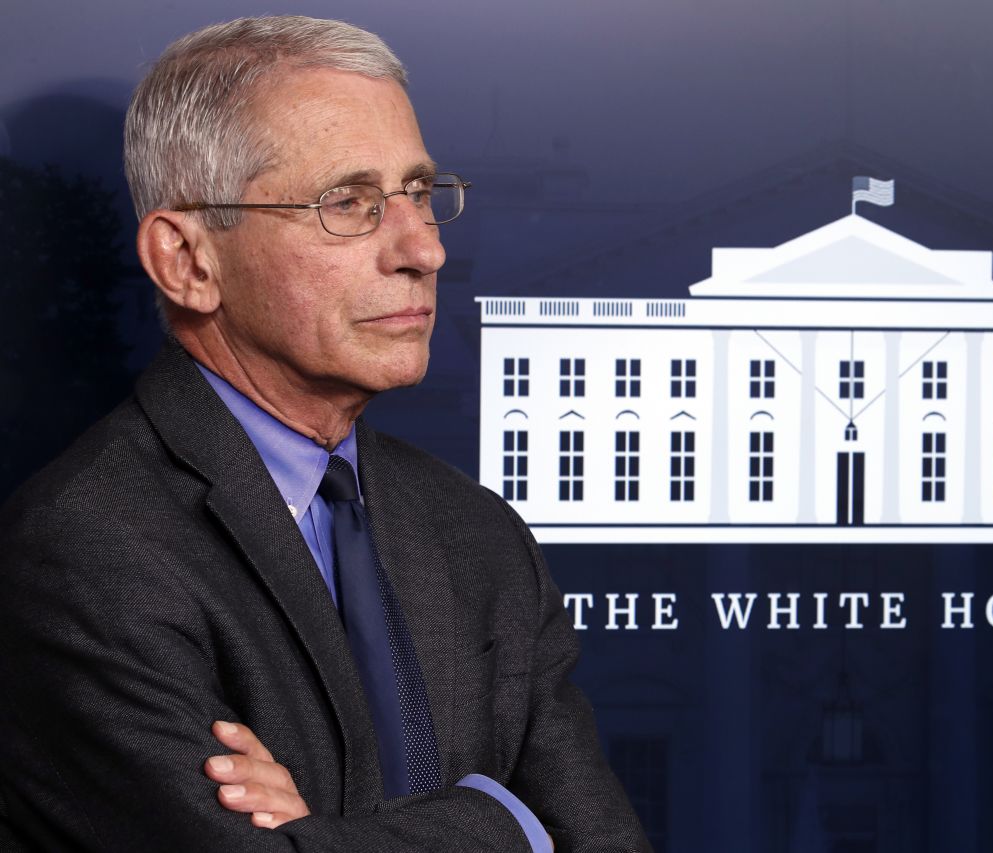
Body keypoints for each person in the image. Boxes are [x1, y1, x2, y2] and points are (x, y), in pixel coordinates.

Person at [0, 16, 650, 853]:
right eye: (348, 202)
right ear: (188, 261)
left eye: (420, 194)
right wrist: (510, 822)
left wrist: (322, 832)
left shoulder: (479, 534)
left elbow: (604, 841)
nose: (423, 249)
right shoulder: (82, 551)